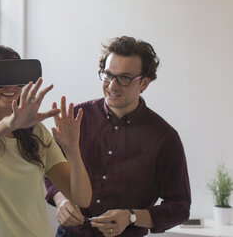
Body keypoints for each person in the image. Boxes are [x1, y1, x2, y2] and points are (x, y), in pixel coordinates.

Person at [45, 36, 191, 237]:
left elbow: (179, 207)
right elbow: (50, 169)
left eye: (124, 78)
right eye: (107, 75)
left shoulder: (165, 138)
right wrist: (61, 200)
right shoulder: (77, 118)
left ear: (144, 83)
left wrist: (131, 216)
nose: (112, 86)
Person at [0, 44, 92, 237]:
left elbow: (82, 198)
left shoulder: (36, 132)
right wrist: (9, 123)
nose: (12, 87)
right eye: (3, 77)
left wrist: (72, 149)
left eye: (17, 77)